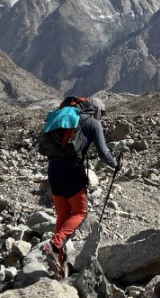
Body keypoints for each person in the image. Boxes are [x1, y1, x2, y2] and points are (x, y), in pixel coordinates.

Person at [43, 97, 119, 279]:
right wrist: (116, 164)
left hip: (53, 169)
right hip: (72, 170)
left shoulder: (67, 119)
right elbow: (103, 152)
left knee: (63, 215)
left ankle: (60, 265)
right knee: (80, 212)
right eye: (103, 113)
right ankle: (55, 243)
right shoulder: (92, 123)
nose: (103, 116)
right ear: (97, 110)